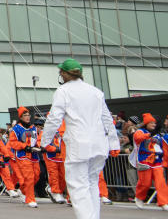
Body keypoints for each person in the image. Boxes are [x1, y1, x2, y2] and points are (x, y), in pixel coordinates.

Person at [41, 58, 120, 219]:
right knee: (92, 184)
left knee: (78, 185)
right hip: (99, 145)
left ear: (64, 73)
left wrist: (45, 141)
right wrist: (114, 143)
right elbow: (107, 119)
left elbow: (54, 118)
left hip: (78, 145)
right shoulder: (96, 92)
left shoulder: (63, 91)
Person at [132, 113, 167, 208]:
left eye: (154, 123)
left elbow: (163, 147)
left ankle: (164, 202)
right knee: (145, 183)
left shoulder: (159, 134)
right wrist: (149, 135)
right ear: (146, 123)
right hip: (144, 161)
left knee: (161, 183)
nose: (154, 125)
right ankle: (139, 197)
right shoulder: (140, 131)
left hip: (157, 162)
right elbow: (138, 138)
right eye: (151, 123)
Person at [9, 107, 40, 207]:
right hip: (23, 156)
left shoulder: (33, 128)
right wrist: (24, 147)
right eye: (25, 116)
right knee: (29, 177)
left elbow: (37, 140)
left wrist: (39, 147)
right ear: (21, 117)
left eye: (28, 115)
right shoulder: (16, 129)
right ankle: (30, 199)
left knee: (36, 175)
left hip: (34, 155)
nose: (27, 117)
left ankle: (22, 190)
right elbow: (13, 143)